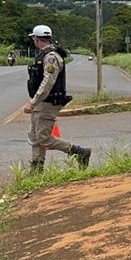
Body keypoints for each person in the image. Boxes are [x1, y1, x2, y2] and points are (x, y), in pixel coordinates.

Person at [22, 24, 91, 173]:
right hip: (42, 102)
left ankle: (79, 152)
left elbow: (48, 81)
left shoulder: (51, 57)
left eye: (34, 38)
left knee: (43, 138)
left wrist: (33, 102)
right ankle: (36, 170)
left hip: (47, 102)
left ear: (37, 39)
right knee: (35, 136)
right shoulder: (43, 54)